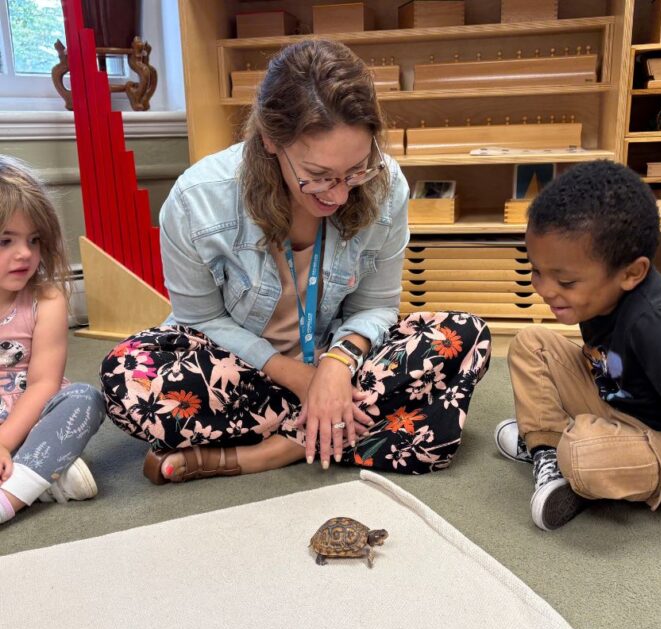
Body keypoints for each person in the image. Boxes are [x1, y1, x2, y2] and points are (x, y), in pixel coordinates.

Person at [100, 39, 491, 484]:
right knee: (126, 375)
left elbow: (376, 306)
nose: (340, 194)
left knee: (465, 335)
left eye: (356, 170)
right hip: (239, 367)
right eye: (318, 176)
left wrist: (336, 366)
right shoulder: (197, 202)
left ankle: (266, 452)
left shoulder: (387, 185)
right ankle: (332, 428)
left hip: (340, 361)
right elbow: (200, 318)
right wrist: (304, 380)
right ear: (270, 139)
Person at [494, 160, 661, 531]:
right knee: (531, 343)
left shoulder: (657, 323)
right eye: (537, 271)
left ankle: (570, 454)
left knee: (582, 454)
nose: (544, 289)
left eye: (565, 281)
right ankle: (547, 450)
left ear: (631, 273)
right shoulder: (598, 295)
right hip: (617, 399)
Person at [0, 155, 106, 526]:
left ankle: (11, 495)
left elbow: (45, 383)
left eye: (34, 240)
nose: (25, 254)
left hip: (33, 413)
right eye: (5, 241)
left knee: (85, 399)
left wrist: (4, 441)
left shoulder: (47, 300)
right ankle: (43, 474)